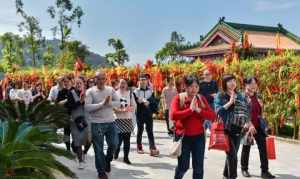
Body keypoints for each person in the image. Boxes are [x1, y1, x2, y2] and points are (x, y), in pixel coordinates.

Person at [171, 75, 216, 179]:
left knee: (198, 168)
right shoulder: (179, 98)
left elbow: (212, 116)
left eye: (196, 86)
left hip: (199, 137)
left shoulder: (201, 98)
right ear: (185, 87)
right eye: (191, 86)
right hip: (183, 137)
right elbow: (173, 115)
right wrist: (190, 110)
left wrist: (199, 110)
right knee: (183, 166)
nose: (194, 89)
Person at [214, 74, 256, 179]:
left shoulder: (240, 95)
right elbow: (218, 112)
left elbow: (245, 111)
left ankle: (225, 175)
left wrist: (249, 123)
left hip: (238, 129)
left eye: (234, 80)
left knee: (232, 155)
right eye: (229, 81)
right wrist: (229, 102)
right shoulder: (221, 95)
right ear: (224, 83)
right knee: (232, 156)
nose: (232, 83)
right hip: (225, 129)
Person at [85, 71, 119, 179]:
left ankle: (107, 160)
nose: (101, 81)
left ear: (106, 79)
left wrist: (109, 103)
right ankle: (101, 172)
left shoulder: (110, 90)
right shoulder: (90, 91)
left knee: (114, 144)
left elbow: (118, 102)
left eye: (103, 78)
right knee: (98, 150)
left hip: (111, 122)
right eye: (98, 79)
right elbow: (87, 107)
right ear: (95, 79)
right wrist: (101, 104)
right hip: (97, 124)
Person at [240, 77, 275, 179]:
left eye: (255, 83)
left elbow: (259, 112)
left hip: (258, 126)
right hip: (247, 126)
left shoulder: (258, 95)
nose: (254, 85)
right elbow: (242, 113)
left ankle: (265, 171)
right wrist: (249, 125)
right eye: (251, 83)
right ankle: (244, 168)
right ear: (245, 85)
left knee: (263, 148)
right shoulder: (242, 97)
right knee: (246, 147)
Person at [133, 73, 159, 156]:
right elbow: (133, 102)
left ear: (147, 81)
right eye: (141, 80)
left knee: (150, 131)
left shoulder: (150, 91)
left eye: (144, 80)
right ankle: (139, 146)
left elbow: (154, 102)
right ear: (139, 81)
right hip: (140, 114)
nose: (143, 81)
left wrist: (149, 103)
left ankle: (152, 147)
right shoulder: (135, 92)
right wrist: (138, 101)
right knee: (140, 130)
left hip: (148, 114)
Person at [65, 77, 88, 169]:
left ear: (83, 84)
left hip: (86, 119)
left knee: (88, 140)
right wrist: (80, 101)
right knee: (78, 141)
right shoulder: (71, 93)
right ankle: (80, 161)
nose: (78, 85)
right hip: (75, 120)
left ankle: (83, 153)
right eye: (77, 83)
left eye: (80, 83)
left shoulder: (87, 93)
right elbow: (70, 107)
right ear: (74, 84)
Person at [114, 79, 136, 164]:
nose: (123, 85)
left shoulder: (130, 94)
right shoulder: (115, 94)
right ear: (118, 84)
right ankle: (116, 152)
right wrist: (119, 110)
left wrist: (129, 109)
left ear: (126, 85)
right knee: (118, 140)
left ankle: (126, 157)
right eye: (121, 83)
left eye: (124, 83)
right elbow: (112, 106)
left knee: (127, 140)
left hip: (127, 119)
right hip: (118, 120)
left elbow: (134, 106)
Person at [56, 76, 73, 151]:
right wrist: (67, 100)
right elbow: (58, 103)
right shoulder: (61, 91)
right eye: (64, 82)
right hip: (66, 115)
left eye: (67, 81)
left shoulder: (74, 90)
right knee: (67, 133)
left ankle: (75, 146)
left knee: (76, 133)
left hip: (75, 115)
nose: (66, 83)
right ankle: (68, 149)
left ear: (70, 81)